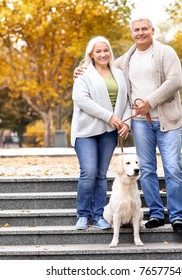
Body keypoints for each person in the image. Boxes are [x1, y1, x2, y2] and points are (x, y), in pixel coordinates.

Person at [74, 16, 182, 233]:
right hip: (141, 123)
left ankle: (177, 216)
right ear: (132, 33)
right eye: (136, 30)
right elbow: (101, 66)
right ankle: (155, 213)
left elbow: (175, 81)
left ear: (153, 30)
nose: (141, 33)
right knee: (147, 169)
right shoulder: (126, 59)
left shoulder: (166, 52)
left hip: (167, 120)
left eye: (145, 29)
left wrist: (150, 102)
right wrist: (80, 70)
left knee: (172, 168)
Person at [71, 36, 131, 230]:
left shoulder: (119, 74)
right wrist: (110, 117)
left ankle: (98, 216)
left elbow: (128, 102)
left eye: (106, 50)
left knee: (101, 175)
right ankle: (83, 214)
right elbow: (82, 99)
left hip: (109, 132)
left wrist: (126, 123)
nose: (103, 54)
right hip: (86, 131)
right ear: (91, 54)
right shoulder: (83, 74)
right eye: (98, 51)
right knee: (88, 172)